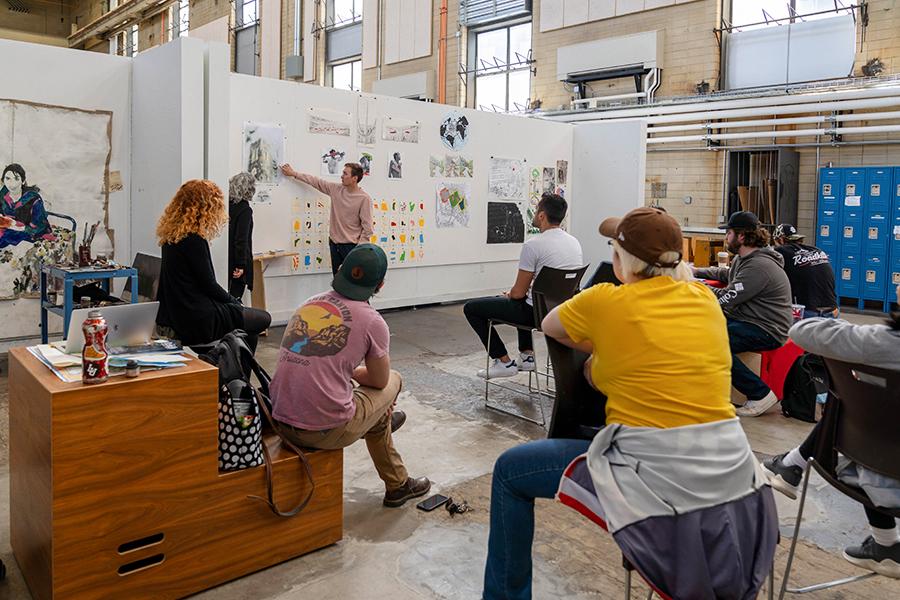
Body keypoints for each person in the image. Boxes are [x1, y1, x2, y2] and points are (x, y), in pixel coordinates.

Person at [483, 207, 769, 599]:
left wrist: (603, 350)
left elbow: (549, 326)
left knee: (510, 472)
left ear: (621, 261)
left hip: (659, 488)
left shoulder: (606, 301)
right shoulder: (703, 299)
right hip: (741, 488)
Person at [270, 244, 431, 507]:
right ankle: (398, 485)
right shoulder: (372, 321)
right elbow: (380, 381)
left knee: (377, 415)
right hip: (322, 429)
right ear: (380, 285)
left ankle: (397, 478)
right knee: (394, 379)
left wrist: (344, 372)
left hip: (280, 419)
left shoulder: (309, 304)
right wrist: (352, 372)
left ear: (341, 271)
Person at [763, 285, 900, 578]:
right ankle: (791, 466)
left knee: (852, 403)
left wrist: (844, 325)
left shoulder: (878, 342)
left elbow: (802, 330)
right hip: (883, 472)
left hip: (876, 471)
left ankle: (792, 465)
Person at [463, 193, 582, 378]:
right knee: (526, 299)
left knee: (472, 309)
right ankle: (527, 357)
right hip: (562, 312)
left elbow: (518, 293)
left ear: (542, 216)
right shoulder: (574, 243)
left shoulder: (533, 245)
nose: (534, 215)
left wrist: (510, 294)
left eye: (536, 211)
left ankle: (503, 361)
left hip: (536, 315)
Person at [694, 211, 793, 417]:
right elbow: (726, 274)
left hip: (767, 328)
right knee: (701, 330)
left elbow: (725, 298)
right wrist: (695, 271)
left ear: (741, 236)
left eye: (728, 233)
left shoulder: (759, 266)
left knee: (713, 342)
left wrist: (694, 285)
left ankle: (760, 394)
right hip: (749, 319)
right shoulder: (745, 259)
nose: (726, 238)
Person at [156, 179, 271, 352]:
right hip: (198, 316)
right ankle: (236, 373)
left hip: (178, 312)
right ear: (206, 208)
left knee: (247, 323)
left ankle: (232, 369)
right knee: (263, 319)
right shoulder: (194, 240)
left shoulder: (171, 238)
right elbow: (209, 285)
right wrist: (235, 302)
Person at [281, 162, 373, 275]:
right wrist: (293, 173)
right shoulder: (336, 189)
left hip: (351, 247)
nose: (341, 176)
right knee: (338, 281)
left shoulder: (364, 199)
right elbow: (315, 181)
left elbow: (368, 228)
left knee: (352, 282)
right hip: (335, 245)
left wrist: (358, 251)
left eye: (345, 173)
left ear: (354, 178)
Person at [772, 223, 838, 319]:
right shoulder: (816, 250)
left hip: (808, 311)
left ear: (781, 239)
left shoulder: (782, 251)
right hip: (832, 309)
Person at [0, 163, 55, 248]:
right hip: (10, 229)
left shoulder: (33, 199)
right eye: (8, 178)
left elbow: (39, 225)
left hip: (31, 232)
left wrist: (17, 227)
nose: (12, 183)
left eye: (16, 179)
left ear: (23, 181)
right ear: (3, 180)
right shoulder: (3, 194)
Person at [228, 172, 255, 300]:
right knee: (235, 299)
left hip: (226, 259)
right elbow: (241, 239)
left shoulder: (227, 205)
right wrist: (241, 265)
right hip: (236, 262)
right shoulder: (245, 209)